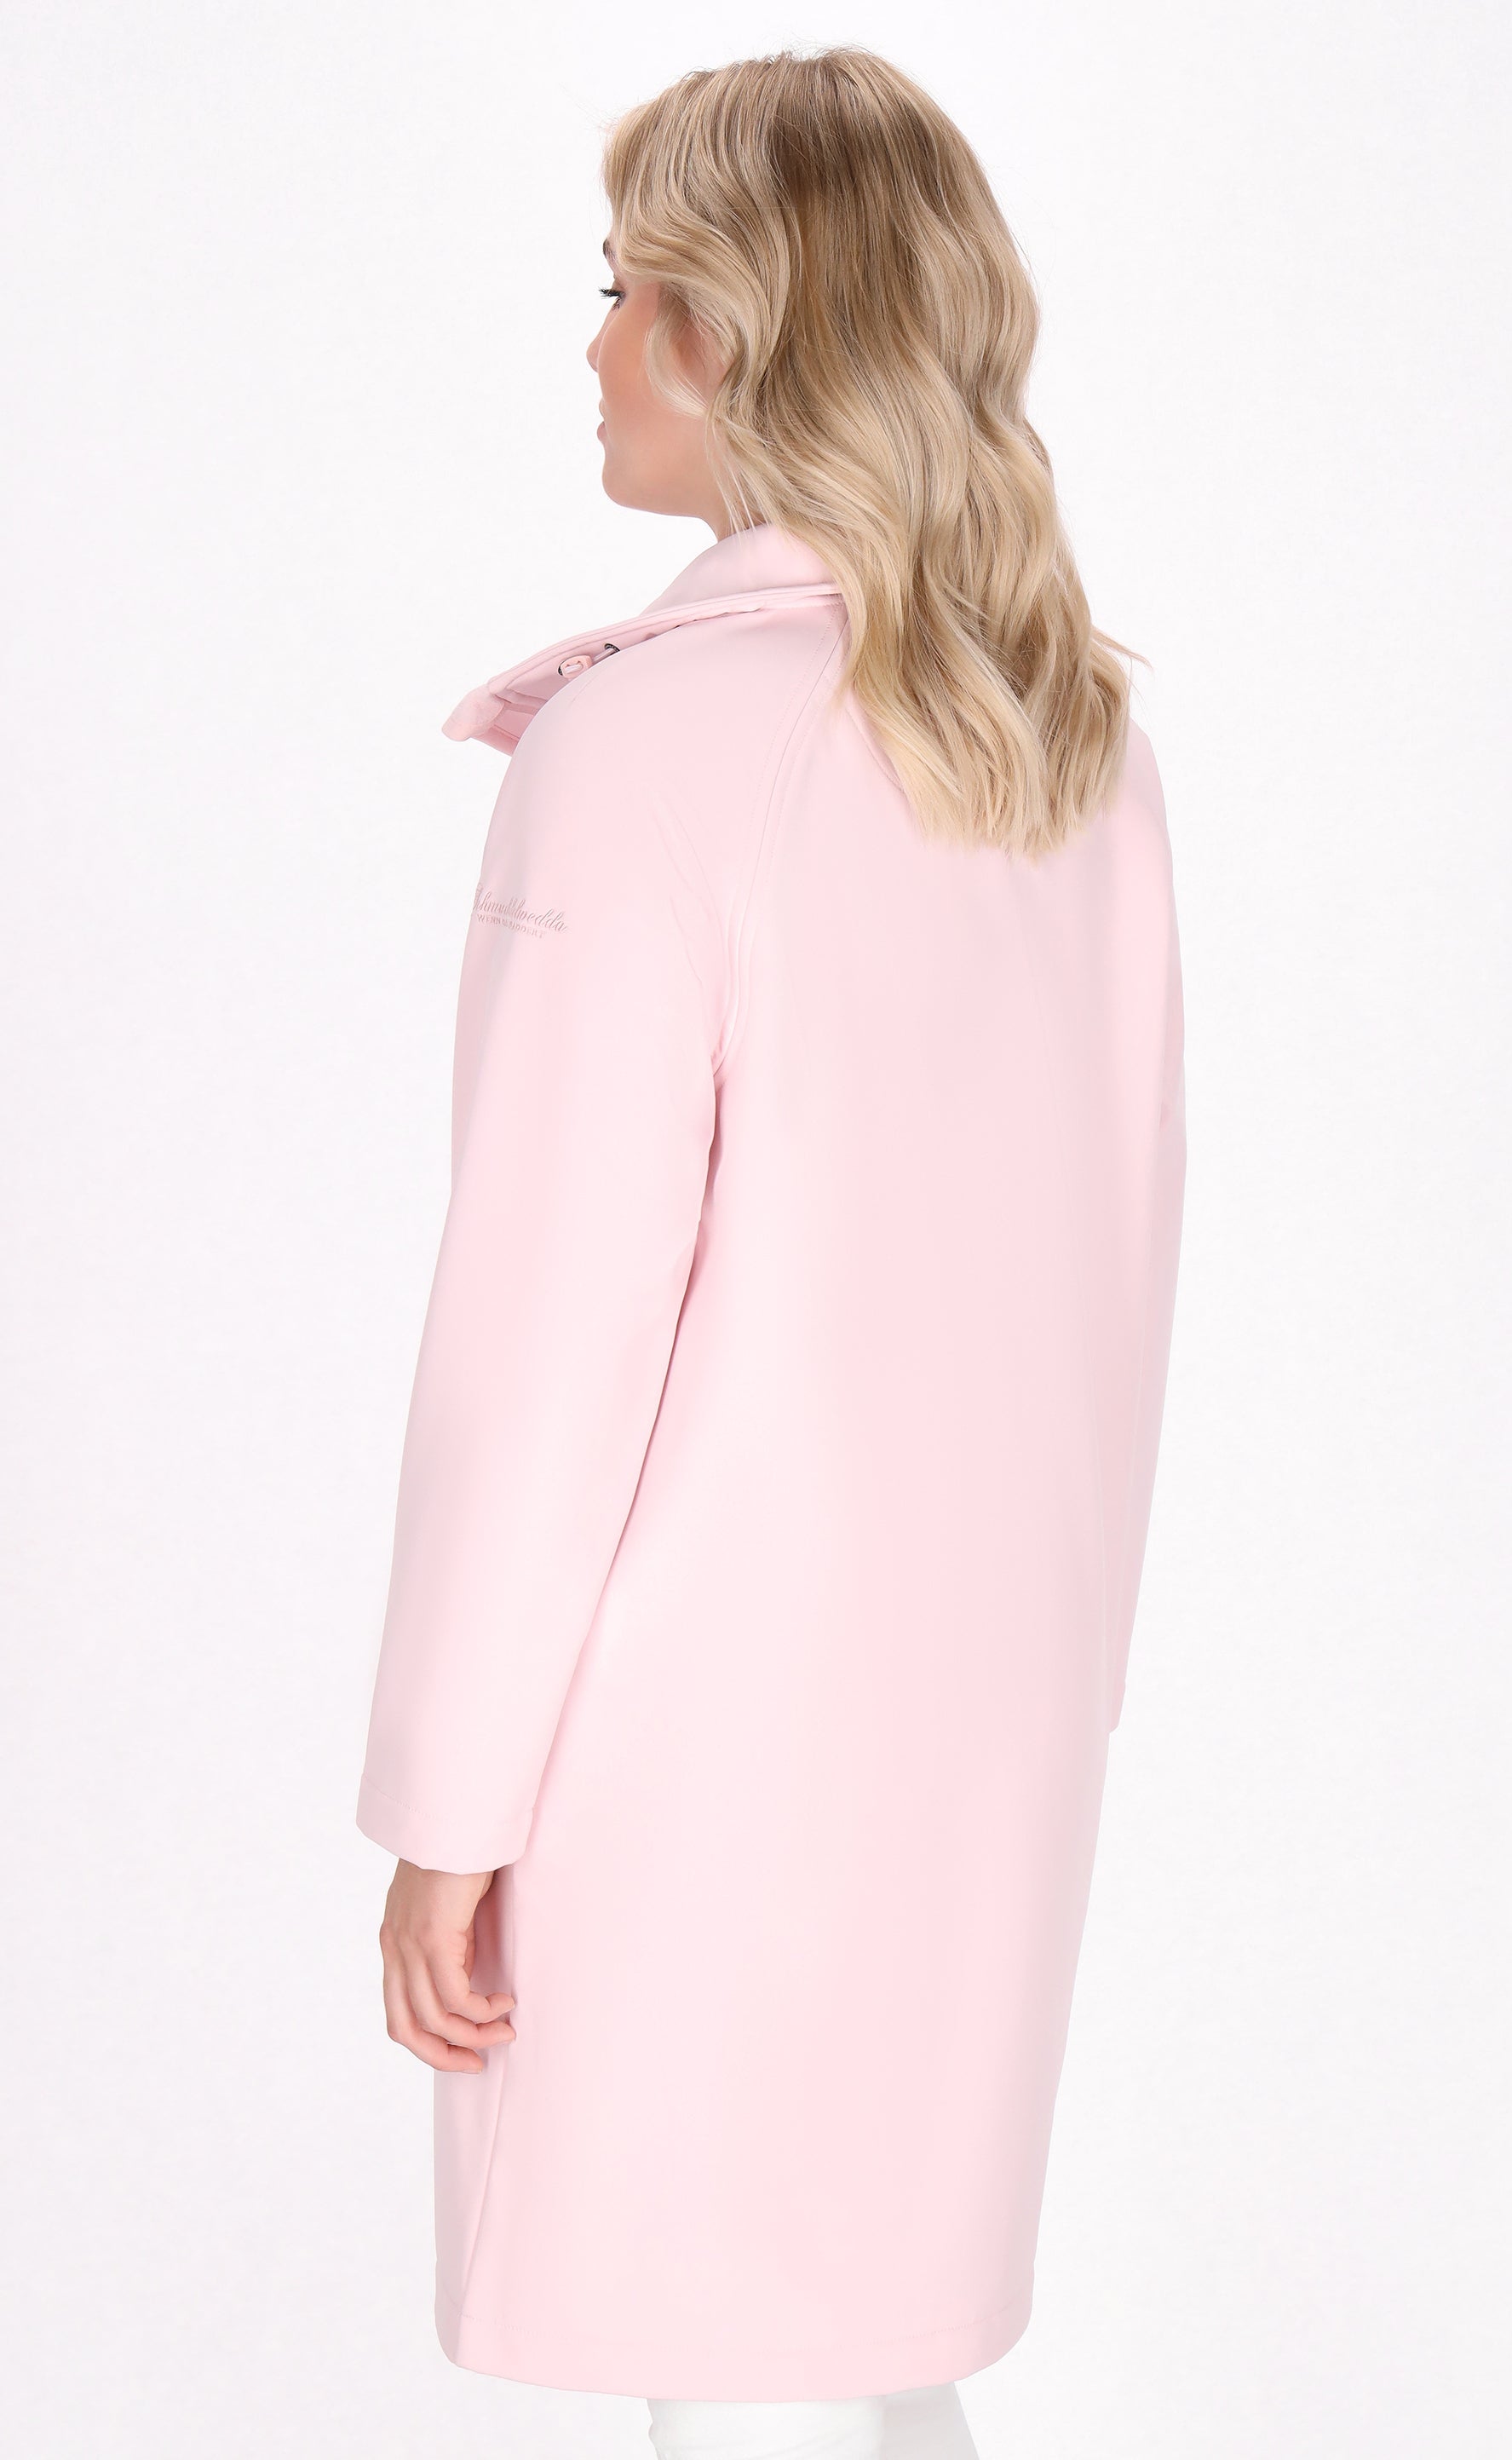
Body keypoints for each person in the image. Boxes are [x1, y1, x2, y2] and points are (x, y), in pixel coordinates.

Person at [355, 44, 1187, 2460]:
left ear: (737, 330)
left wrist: (450, 1801)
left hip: (681, 1724)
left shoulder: (648, 751)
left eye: (631, 288)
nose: (596, 340)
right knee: (866, 2337)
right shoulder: (1070, 750)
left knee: (736, 2361)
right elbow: (1120, 1274)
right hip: (980, 1715)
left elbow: (548, 1335)